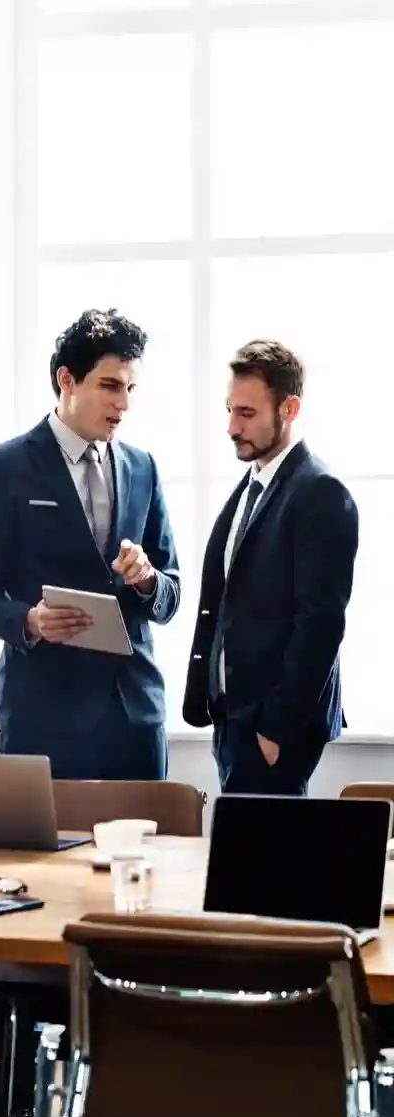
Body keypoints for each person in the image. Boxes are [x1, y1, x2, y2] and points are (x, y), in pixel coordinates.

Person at [0, 309, 182, 780]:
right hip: (44, 718)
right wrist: (31, 621)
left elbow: (170, 594)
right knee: (41, 856)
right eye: (109, 386)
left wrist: (147, 580)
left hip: (135, 716)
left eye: (130, 388)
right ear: (67, 379)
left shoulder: (144, 468)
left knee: (142, 856)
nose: (123, 403)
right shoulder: (3, 468)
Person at [182, 340, 356, 796]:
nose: (231, 427)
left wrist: (275, 729)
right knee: (247, 861)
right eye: (229, 410)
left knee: (268, 861)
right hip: (233, 720)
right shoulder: (251, 486)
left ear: (290, 408)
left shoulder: (320, 492)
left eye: (246, 413)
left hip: (272, 728)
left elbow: (320, 624)